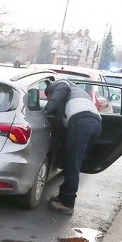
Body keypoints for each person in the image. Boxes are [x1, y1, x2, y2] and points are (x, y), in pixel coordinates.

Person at [43, 79, 102, 215]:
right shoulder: (78, 93)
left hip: (81, 122)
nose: (49, 99)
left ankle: (67, 203)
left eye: (48, 97)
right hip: (95, 123)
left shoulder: (62, 83)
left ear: (50, 91)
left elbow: (58, 95)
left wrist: (46, 110)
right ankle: (63, 196)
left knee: (73, 164)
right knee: (74, 163)